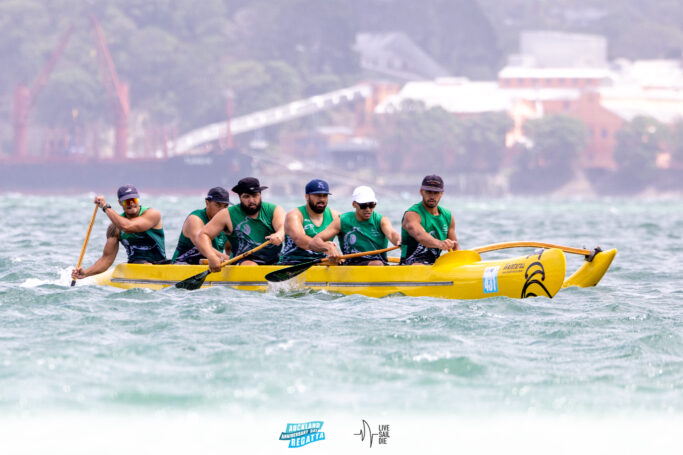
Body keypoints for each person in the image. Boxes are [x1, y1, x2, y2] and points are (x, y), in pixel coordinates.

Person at [71, 184, 166, 280]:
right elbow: (106, 259)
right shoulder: (114, 228)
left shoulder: (152, 214)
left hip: (161, 264)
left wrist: (105, 207)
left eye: (134, 200)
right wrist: (85, 273)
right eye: (127, 201)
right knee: (141, 262)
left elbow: (128, 226)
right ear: (120, 203)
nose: (131, 203)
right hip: (136, 265)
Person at [197, 177, 285, 271]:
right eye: (246, 196)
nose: (251, 200)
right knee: (250, 266)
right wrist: (211, 256)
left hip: (275, 260)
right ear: (239, 197)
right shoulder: (227, 214)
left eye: (255, 195)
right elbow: (203, 235)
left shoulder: (274, 210)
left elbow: (283, 227)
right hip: (244, 261)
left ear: (260, 195)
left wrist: (279, 234)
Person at [310, 186, 400, 265]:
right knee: (377, 264)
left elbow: (392, 234)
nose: (368, 209)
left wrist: (400, 241)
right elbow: (314, 242)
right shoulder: (342, 221)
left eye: (372, 205)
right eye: (363, 206)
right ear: (354, 204)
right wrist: (328, 248)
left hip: (380, 263)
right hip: (352, 263)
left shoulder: (381, 220)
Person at [278, 179, 340, 265]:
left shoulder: (335, 216)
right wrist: (326, 247)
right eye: (318, 195)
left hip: (321, 262)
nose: (322, 199)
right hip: (294, 263)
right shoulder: (294, 215)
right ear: (307, 196)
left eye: (325, 196)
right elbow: (300, 240)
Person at [400, 175, 458, 265]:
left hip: (433, 265)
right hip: (410, 264)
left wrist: (460, 260)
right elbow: (420, 235)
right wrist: (440, 244)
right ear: (421, 191)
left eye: (436, 193)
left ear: (441, 194)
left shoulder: (448, 216)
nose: (432, 196)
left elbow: (455, 247)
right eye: (428, 192)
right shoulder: (412, 214)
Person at [171, 187, 231, 264]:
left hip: (211, 267)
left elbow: (229, 249)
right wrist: (228, 259)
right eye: (218, 205)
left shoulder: (225, 221)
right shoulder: (195, 219)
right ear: (207, 203)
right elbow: (201, 246)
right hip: (182, 265)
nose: (222, 210)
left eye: (225, 206)